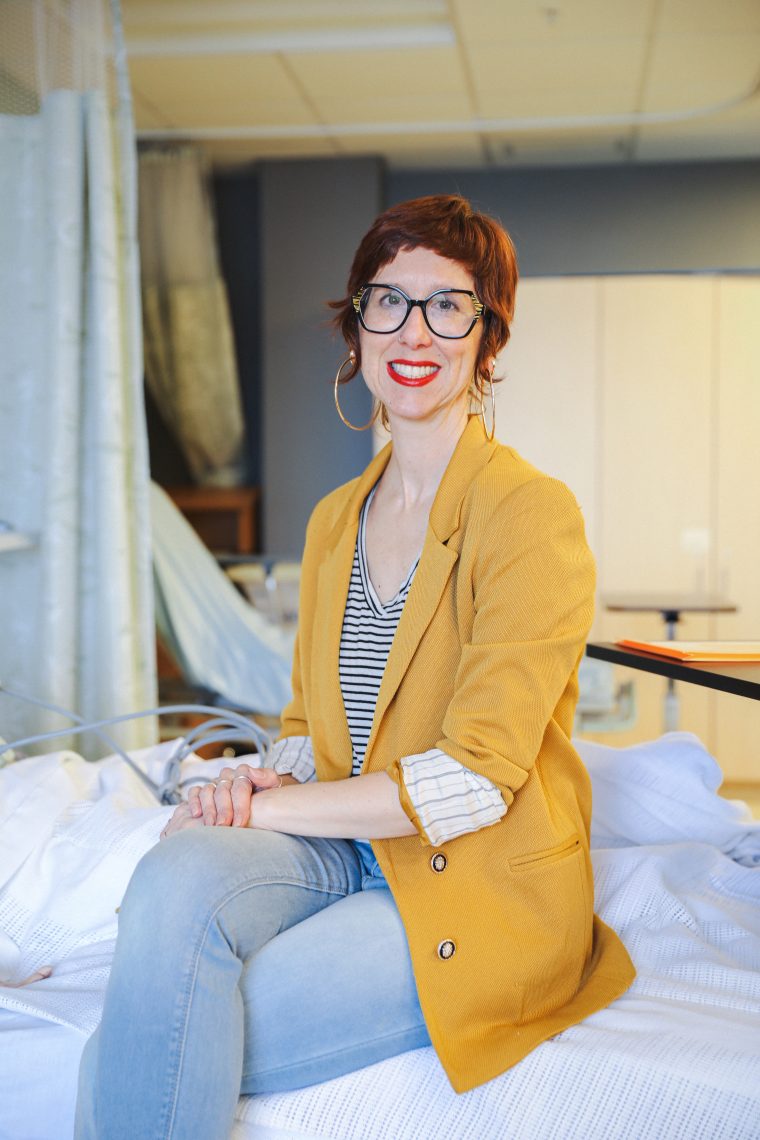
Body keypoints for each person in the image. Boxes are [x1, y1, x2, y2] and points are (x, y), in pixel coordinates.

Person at [75, 194, 635, 1138]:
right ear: (356, 325)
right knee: (172, 878)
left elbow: (476, 779)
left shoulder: (529, 513)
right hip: (349, 850)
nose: (414, 331)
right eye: (388, 301)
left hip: (477, 877)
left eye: (448, 305)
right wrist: (261, 779)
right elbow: (309, 729)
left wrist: (270, 808)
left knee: (135, 1045)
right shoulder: (336, 519)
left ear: (485, 338)